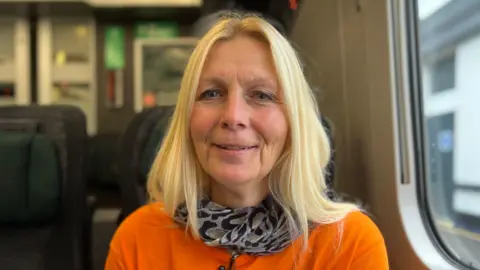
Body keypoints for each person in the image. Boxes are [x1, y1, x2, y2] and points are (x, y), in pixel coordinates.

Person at [105, 12, 389, 270]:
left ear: (293, 123)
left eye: (262, 95)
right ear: (187, 121)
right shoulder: (137, 238)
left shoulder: (349, 243)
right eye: (212, 93)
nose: (233, 116)